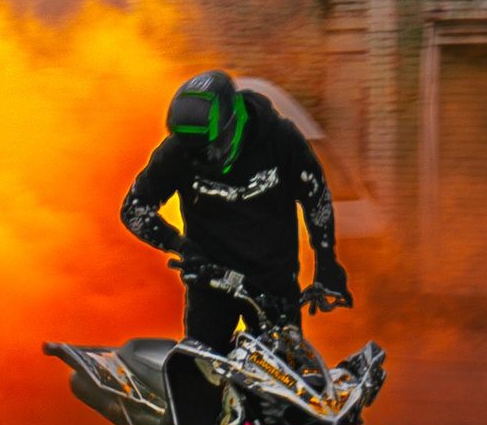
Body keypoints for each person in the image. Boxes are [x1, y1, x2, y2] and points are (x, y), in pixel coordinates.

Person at [120, 68, 349, 347]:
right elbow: (134, 208)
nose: (207, 156)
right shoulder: (176, 151)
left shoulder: (280, 139)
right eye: (196, 150)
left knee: (279, 382)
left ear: (235, 119)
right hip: (210, 282)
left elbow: (316, 197)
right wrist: (181, 246)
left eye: (213, 146)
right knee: (200, 379)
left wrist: (326, 261)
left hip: (272, 284)